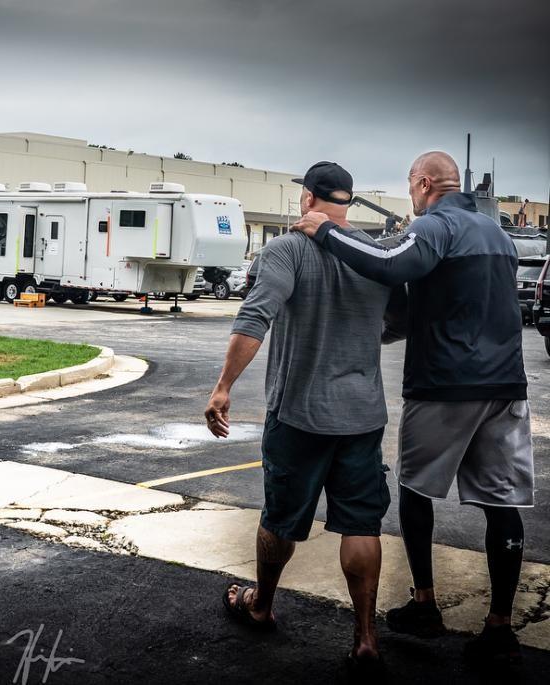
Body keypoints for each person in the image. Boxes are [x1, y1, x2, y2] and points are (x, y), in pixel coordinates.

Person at [291, 151, 532, 665]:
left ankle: (425, 604)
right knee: (501, 502)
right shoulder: (498, 235)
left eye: (410, 187)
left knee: (415, 490)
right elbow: (444, 301)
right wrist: (384, 332)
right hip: (506, 386)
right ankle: (500, 627)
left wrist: (324, 232)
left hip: (446, 384)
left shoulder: (437, 225)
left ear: (423, 184)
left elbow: (392, 263)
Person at [204, 161, 405, 677]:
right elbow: (402, 321)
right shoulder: (375, 253)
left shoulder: (286, 249)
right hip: (363, 416)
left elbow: (255, 316)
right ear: (349, 203)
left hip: (299, 416)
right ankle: (364, 638)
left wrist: (224, 386)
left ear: (308, 198)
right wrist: (360, 336)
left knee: (281, 516)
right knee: (361, 523)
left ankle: (262, 606)